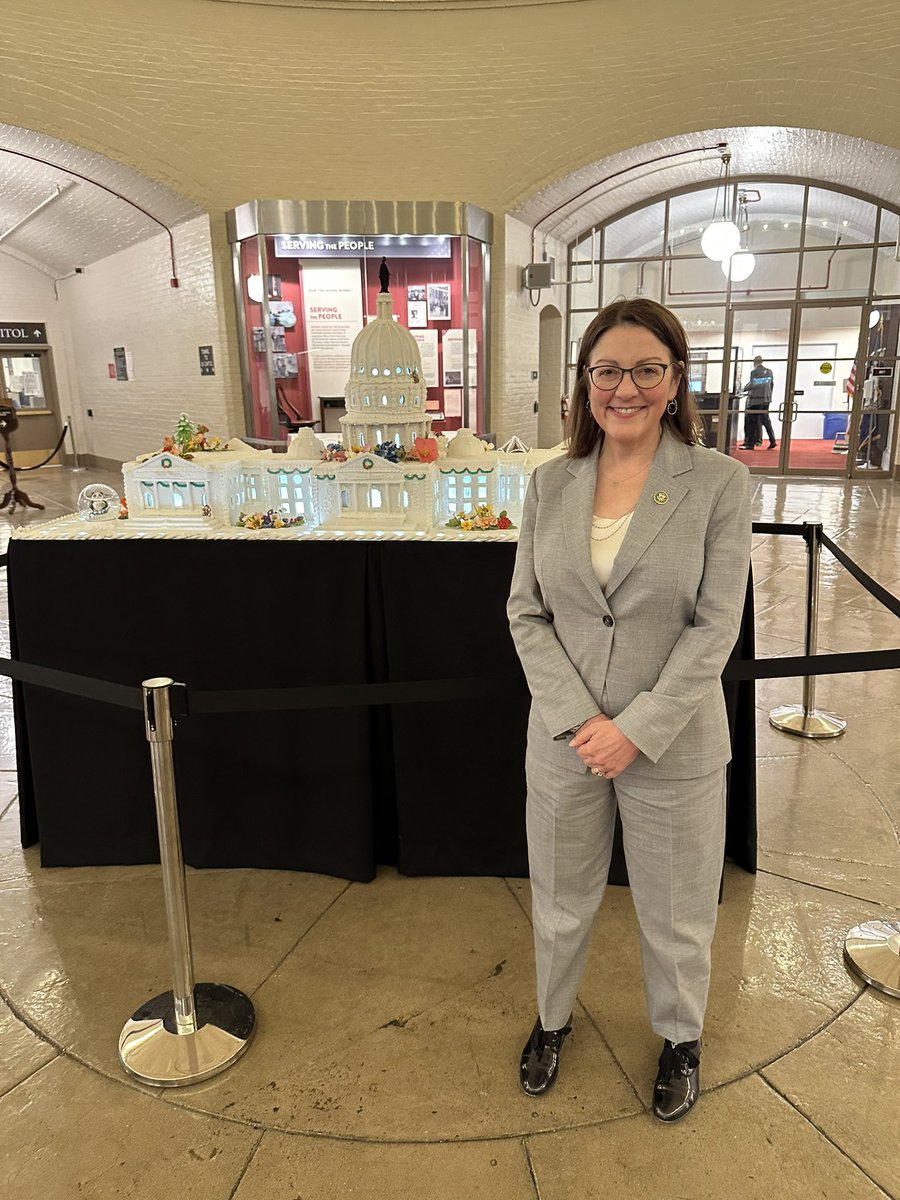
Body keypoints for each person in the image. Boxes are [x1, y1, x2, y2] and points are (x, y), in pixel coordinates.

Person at [507, 298, 751, 1122]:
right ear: (586, 382)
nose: (626, 388)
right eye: (608, 370)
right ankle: (551, 1019)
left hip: (674, 744)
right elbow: (526, 612)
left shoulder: (718, 483)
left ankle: (681, 1038)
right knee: (559, 896)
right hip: (565, 739)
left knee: (677, 911)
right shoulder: (551, 483)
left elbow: (715, 627)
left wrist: (635, 730)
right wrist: (584, 722)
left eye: (647, 369)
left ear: (676, 379)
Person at [740, 356, 776, 449]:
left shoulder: (754, 372)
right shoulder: (769, 371)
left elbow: (753, 384)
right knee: (766, 421)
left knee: (752, 422)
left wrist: (743, 389)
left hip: (756, 401)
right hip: (766, 400)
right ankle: (772, 440)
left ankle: (750, 444)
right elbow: (771, 385)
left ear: (754, 362)